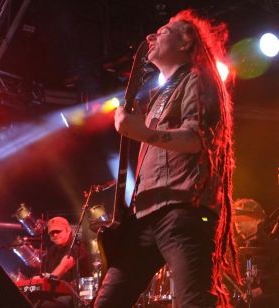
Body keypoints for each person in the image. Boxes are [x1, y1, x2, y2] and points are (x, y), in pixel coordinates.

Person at [95, 9, 239, 307]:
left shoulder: (199, 79)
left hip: (182, 211)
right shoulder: (161, 95)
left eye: (163, 32)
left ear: (186, 43)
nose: (151, 36)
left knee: (194, 302)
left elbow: (196, 140)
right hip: (146, 215)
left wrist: (141, 132)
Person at [35, 216, 90, 308]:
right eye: (52, 233)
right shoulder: (51, 251)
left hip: (75, 295)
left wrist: (45, 281)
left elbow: (63, 267)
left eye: (58, 231)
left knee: (48, 306)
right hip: (55, 294)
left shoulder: (76, 246)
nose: (55, 235)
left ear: (68, 230)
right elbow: (45, 275)